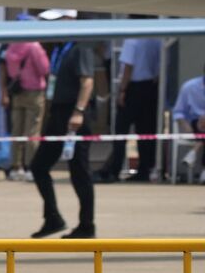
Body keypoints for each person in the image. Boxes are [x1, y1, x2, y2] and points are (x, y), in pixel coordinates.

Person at [30, 40, 97, 238]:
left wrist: (79, 111)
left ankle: (87, 225)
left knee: (79, 171)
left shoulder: (80, 48)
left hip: (73, 113)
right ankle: (52, 218)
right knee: (39, 166)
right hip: (58, 113)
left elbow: (87, 81)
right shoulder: (59, 50)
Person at [99, 33, 162, 182]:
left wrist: (122, 89)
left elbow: (128, 66)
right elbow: (161, 65)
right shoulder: (157, 39)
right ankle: (144, 169)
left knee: (121, 130)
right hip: (150, 87)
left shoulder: (132, 39)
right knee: (146, 131)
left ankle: (114, 169)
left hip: (133, 88)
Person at [0, 38, 49, 182]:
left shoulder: (11, 46)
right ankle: (31, 167)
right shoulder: (34, 46)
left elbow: (8, 70)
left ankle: (16, 167)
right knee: (32, 131)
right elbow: (44, 68)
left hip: (17, 92)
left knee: (17, 131)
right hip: (34, 93)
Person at [171, 69, 205, 183]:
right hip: (195, 125)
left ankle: (194, 150)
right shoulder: (189, 87)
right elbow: (178, 111)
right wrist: (185, 125)